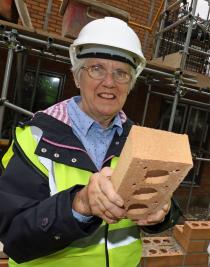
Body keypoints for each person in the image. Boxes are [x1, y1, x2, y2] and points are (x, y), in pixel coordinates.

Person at [0, 17, 180, 266]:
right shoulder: (35, 139)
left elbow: (161, 204)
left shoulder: (139, 140)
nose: (109, 82)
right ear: (76, 77)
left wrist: (162, 212)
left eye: (121, 73)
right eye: (97, 68)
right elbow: (14, 237)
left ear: (130, 84)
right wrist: (79, 204)